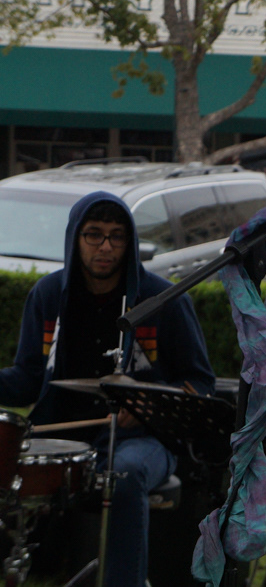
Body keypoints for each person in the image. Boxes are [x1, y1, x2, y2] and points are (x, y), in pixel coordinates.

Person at [0, 191, 216, 587]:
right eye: (94, 235)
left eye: (117, 236)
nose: (106, 247)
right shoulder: (48, 297)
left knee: (125, 472)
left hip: (145, 439)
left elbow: (200, 381)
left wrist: (149, 404)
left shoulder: (160, 300)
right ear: (74, 238)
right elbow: (28, 379)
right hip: (65, 437)